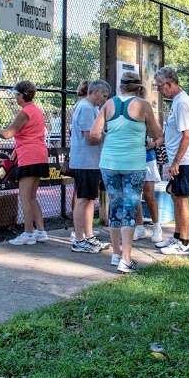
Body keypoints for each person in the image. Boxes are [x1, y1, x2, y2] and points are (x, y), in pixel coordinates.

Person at [89, 71, 163, 273]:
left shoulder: (108, 104)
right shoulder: (143, 105)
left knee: (115, 205)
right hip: (133, 163)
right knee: (129, 208)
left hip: (109, 163)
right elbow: (157, 134)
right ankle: (126, 259)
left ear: (120, 86)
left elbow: (94, 134)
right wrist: (148, 140)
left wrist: (111, 135)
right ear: (138, 87)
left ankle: (116, 254)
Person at [0, 81, 51, 246]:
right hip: (40, 155)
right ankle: (41, 231)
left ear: (22, 96)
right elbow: (29, 134)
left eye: (17, 94)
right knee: (32, 197)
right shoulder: (37, 110)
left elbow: (7, 134)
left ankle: (28, 233)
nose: (15, 97)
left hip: (29, 157)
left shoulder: (25, 112)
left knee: (25, 197)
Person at [154, 66, 189, 256]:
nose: (158, 89)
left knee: (182, 199)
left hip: (185, 160)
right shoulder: (176, 101)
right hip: (179, 159)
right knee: (175, 196)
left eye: (159, 86)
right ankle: (177, 236)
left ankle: (184, 243)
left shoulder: (182, 102)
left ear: (170, 83)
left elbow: (187, 135)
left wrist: (175, 162)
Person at [68, 79, 112, 254]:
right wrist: (111, 137)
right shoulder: (86, 107)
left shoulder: (92, 108)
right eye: (104, 95)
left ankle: (89, 237)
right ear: (96, 92)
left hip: (91, 162)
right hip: (84, 162)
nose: (105, 99)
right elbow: (91, 138)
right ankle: (79, 240)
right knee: (83, 200)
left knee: (89, 200)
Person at [132, 85, 164, 244]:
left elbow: (160, 137)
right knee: (134, 194)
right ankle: (139, 227)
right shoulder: (127, 114)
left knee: (148, 194)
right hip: (132, 158)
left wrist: (153, 144)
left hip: (147, 158)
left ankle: (157, 227)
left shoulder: (149, 114)